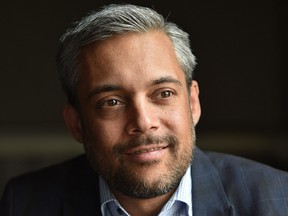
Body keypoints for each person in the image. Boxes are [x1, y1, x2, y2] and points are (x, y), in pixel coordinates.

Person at [1, 3, 288, 216]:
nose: (143, 121)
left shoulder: (278, 198)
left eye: (163, 94)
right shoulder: (25, 203)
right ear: (76, 123)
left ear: (192, 104)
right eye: (112, 102)